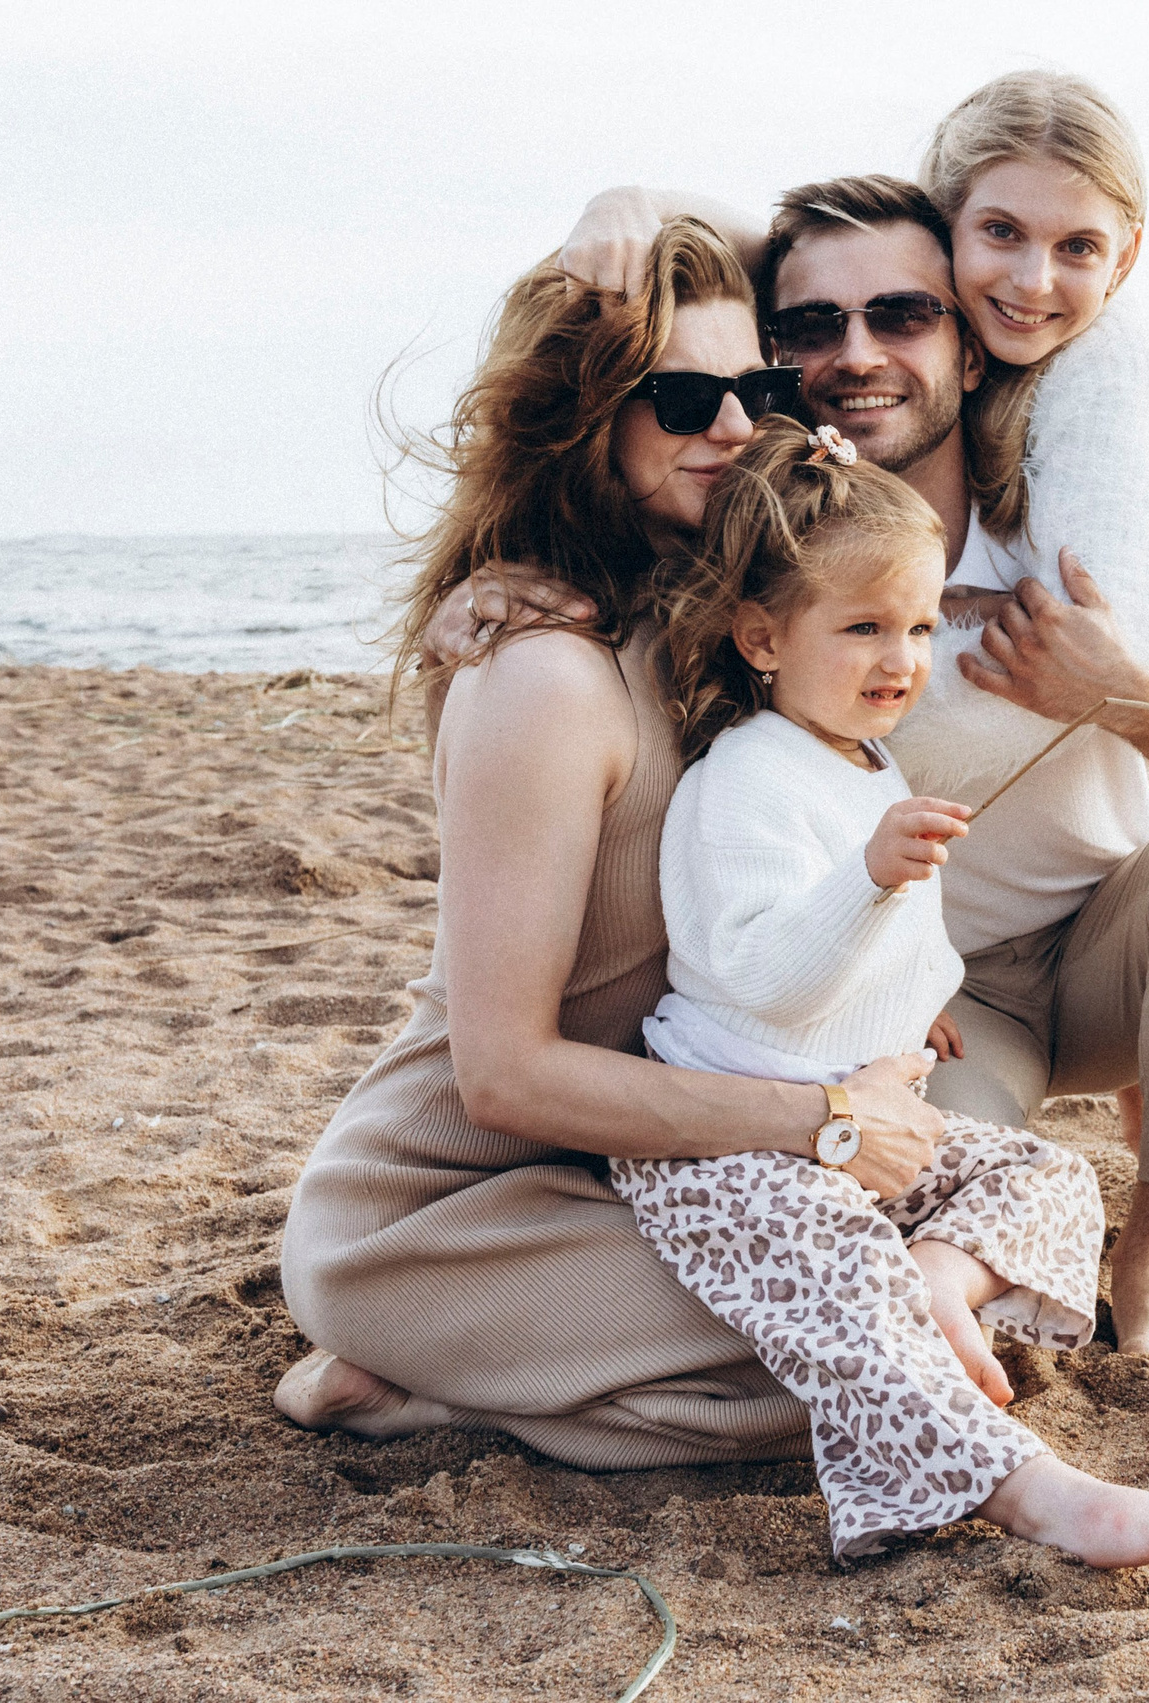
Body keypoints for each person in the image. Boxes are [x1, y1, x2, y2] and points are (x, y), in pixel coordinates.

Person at [455, 78, 1149, 1362]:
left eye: (900, 314)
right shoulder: (743, 562)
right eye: (810, 327)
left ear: (966, 342)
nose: (856, 353)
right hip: (931, 998)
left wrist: (1122, 691)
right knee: (906, 1220)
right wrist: (495, 585)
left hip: (1116, 942)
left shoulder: (1080, 547)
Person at [274, 216, 949, 1471]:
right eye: (682, 398)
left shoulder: (725, 635)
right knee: (881, 1343)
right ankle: (422, 1382)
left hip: (634, 1170)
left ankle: (488, 1376)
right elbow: (503, 1079)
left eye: (758, 388)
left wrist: (641, 203)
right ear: (585, 414)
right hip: (444, 1212)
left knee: (942, 1301)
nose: (734, 427)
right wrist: (823, 1119)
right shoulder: (544, 670)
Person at [611, 415, 1149, 1564]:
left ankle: (939, 1280)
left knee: (1047, 1172)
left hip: (857, 1118)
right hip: (735, 1144)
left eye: (916, 624)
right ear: (762, 637)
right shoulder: (743, 776)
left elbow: (892, 943)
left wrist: (912, 1001)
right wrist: (868, 877)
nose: (900, 658)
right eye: (861, 627)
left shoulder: (865, 757)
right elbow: (762, 972)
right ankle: (1029, 1491)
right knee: (845, 1275)